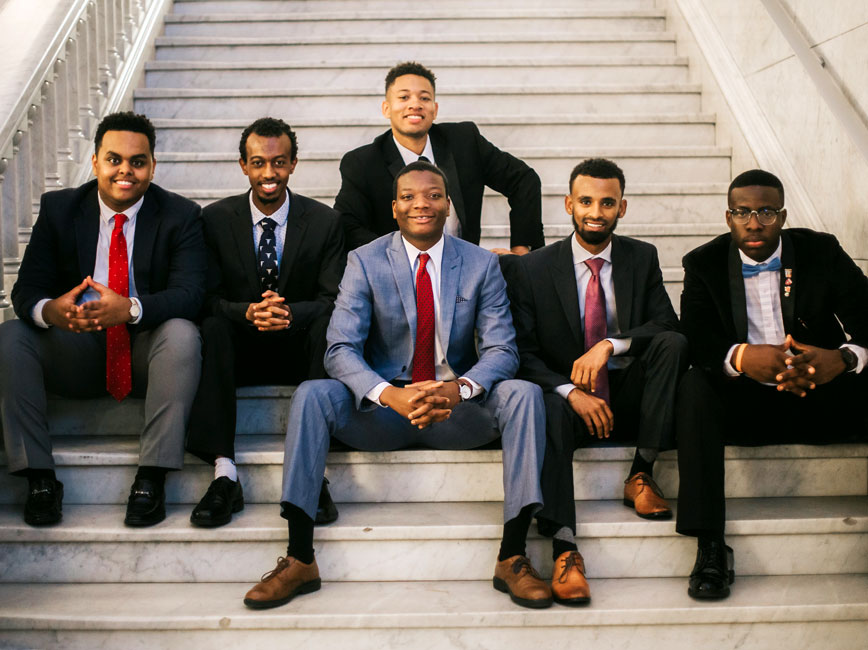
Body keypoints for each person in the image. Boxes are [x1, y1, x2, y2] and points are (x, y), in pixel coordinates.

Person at [243, 161, 550, 610]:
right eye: (408, 196)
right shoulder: (365, 260)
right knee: (312, 394)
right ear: (394, 208)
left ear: (449, 205)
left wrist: (458, 390)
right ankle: (300, 557)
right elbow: (339, 349)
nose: (421, 204)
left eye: (433, 195)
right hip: (383, 410)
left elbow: (502, 350)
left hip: (454, 409)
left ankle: (513, 555)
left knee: (524, 393)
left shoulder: (481, 263)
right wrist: (390, 394)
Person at [0, 111, 206, 527]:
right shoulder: (60, 209)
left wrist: (129, 308)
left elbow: (191, 294)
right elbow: (26, 292)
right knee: (10, 336)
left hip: (146, 354)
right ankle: (39, 479)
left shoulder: (180, 215)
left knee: (183, 334)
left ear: (152, 166)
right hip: (76, 347)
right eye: (114, 159)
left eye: (137, 161)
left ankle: (151, 478)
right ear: (95, 162)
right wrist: (52, 311)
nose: (125, 171)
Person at [676, 169, 868, 599]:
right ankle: (710, 545)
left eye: (766, 212)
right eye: (742, 212)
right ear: (728, 217)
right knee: (693, 387)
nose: (754, 223)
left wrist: (841, 359)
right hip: (746, 407)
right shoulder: (703, 263)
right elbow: (697, 339)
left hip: (819, 395)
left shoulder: (821, 251)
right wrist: (741, 358)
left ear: (782, 216)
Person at [508, 157, 687, 604]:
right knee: (545, 404)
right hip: (568, 403)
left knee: (673, 345)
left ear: (621, 208)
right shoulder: (533, 269)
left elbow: (667, 325)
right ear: (569, 203)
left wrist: (610, 344)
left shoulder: (641, 257)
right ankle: (565, 548)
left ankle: (641, 472)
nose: (596, 212)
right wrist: (571, 392)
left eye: (607, 203)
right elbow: (521, 353)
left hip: (626, 395)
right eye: (586, 201)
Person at [185, 117, 346, 527]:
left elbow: (332, 298)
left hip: (300, 350)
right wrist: (246, 312)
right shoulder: (214, 220)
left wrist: (290, 313)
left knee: (328, 324)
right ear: (243, 165)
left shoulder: (325, 221)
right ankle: (224, 473)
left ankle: (313, 474)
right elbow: (205, 298)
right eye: (258, 163)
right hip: (238, 350)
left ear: (293, 163)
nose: (269, 173)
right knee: (213, 327)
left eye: (278, 162)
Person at [335, 61, 544, 255]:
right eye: (404, 97)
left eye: (424, 98)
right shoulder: (363, 163)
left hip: (463, 270)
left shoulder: (464, 142)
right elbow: (347, 225)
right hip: (397, 273)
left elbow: (523, 180)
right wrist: (399, 258)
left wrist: (521, 252)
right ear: (386, 109)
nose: (415, 104)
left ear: (434, 110)